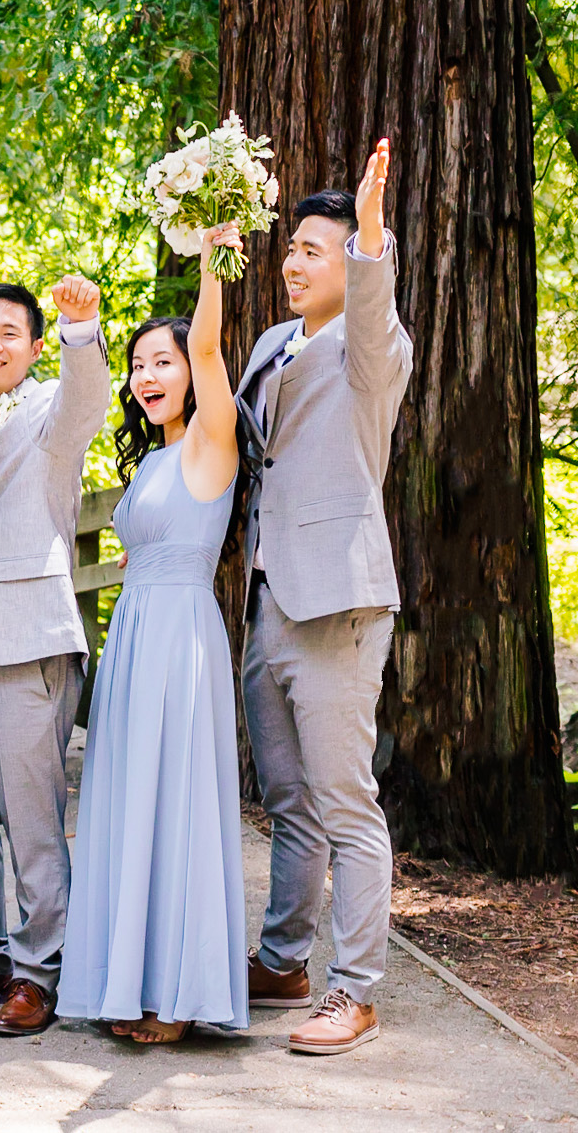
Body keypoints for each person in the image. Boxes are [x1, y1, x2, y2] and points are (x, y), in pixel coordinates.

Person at [236, 141, 411, 1056]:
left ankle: (355, 991)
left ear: (351, 257)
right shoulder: (273, 343)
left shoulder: (372, 346)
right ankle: (283, 961)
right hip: (268, 595)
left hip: (339, 599)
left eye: (313, 249)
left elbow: (373, 309)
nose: (294, 263)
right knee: (287, 798)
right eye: (291, 249)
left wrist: (371, 230)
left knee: (345, 801)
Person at [58, 223, 249, 1043]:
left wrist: (213, 261)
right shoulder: (148, 464)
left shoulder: (213, 440)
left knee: (176, 805)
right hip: (135, 641)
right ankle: (128, 982)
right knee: (132, 803)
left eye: (160, 363)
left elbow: (207, 345)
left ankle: (176, 999)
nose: (146, 376)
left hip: (180, 639)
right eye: (138, 365)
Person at [0, 274, 107, 1038]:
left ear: (35, 347)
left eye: (9, 332)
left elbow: (86, 401)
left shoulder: (49, 411)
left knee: (33, 821)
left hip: (28, 641)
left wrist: (81, 329)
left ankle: (40, 971)